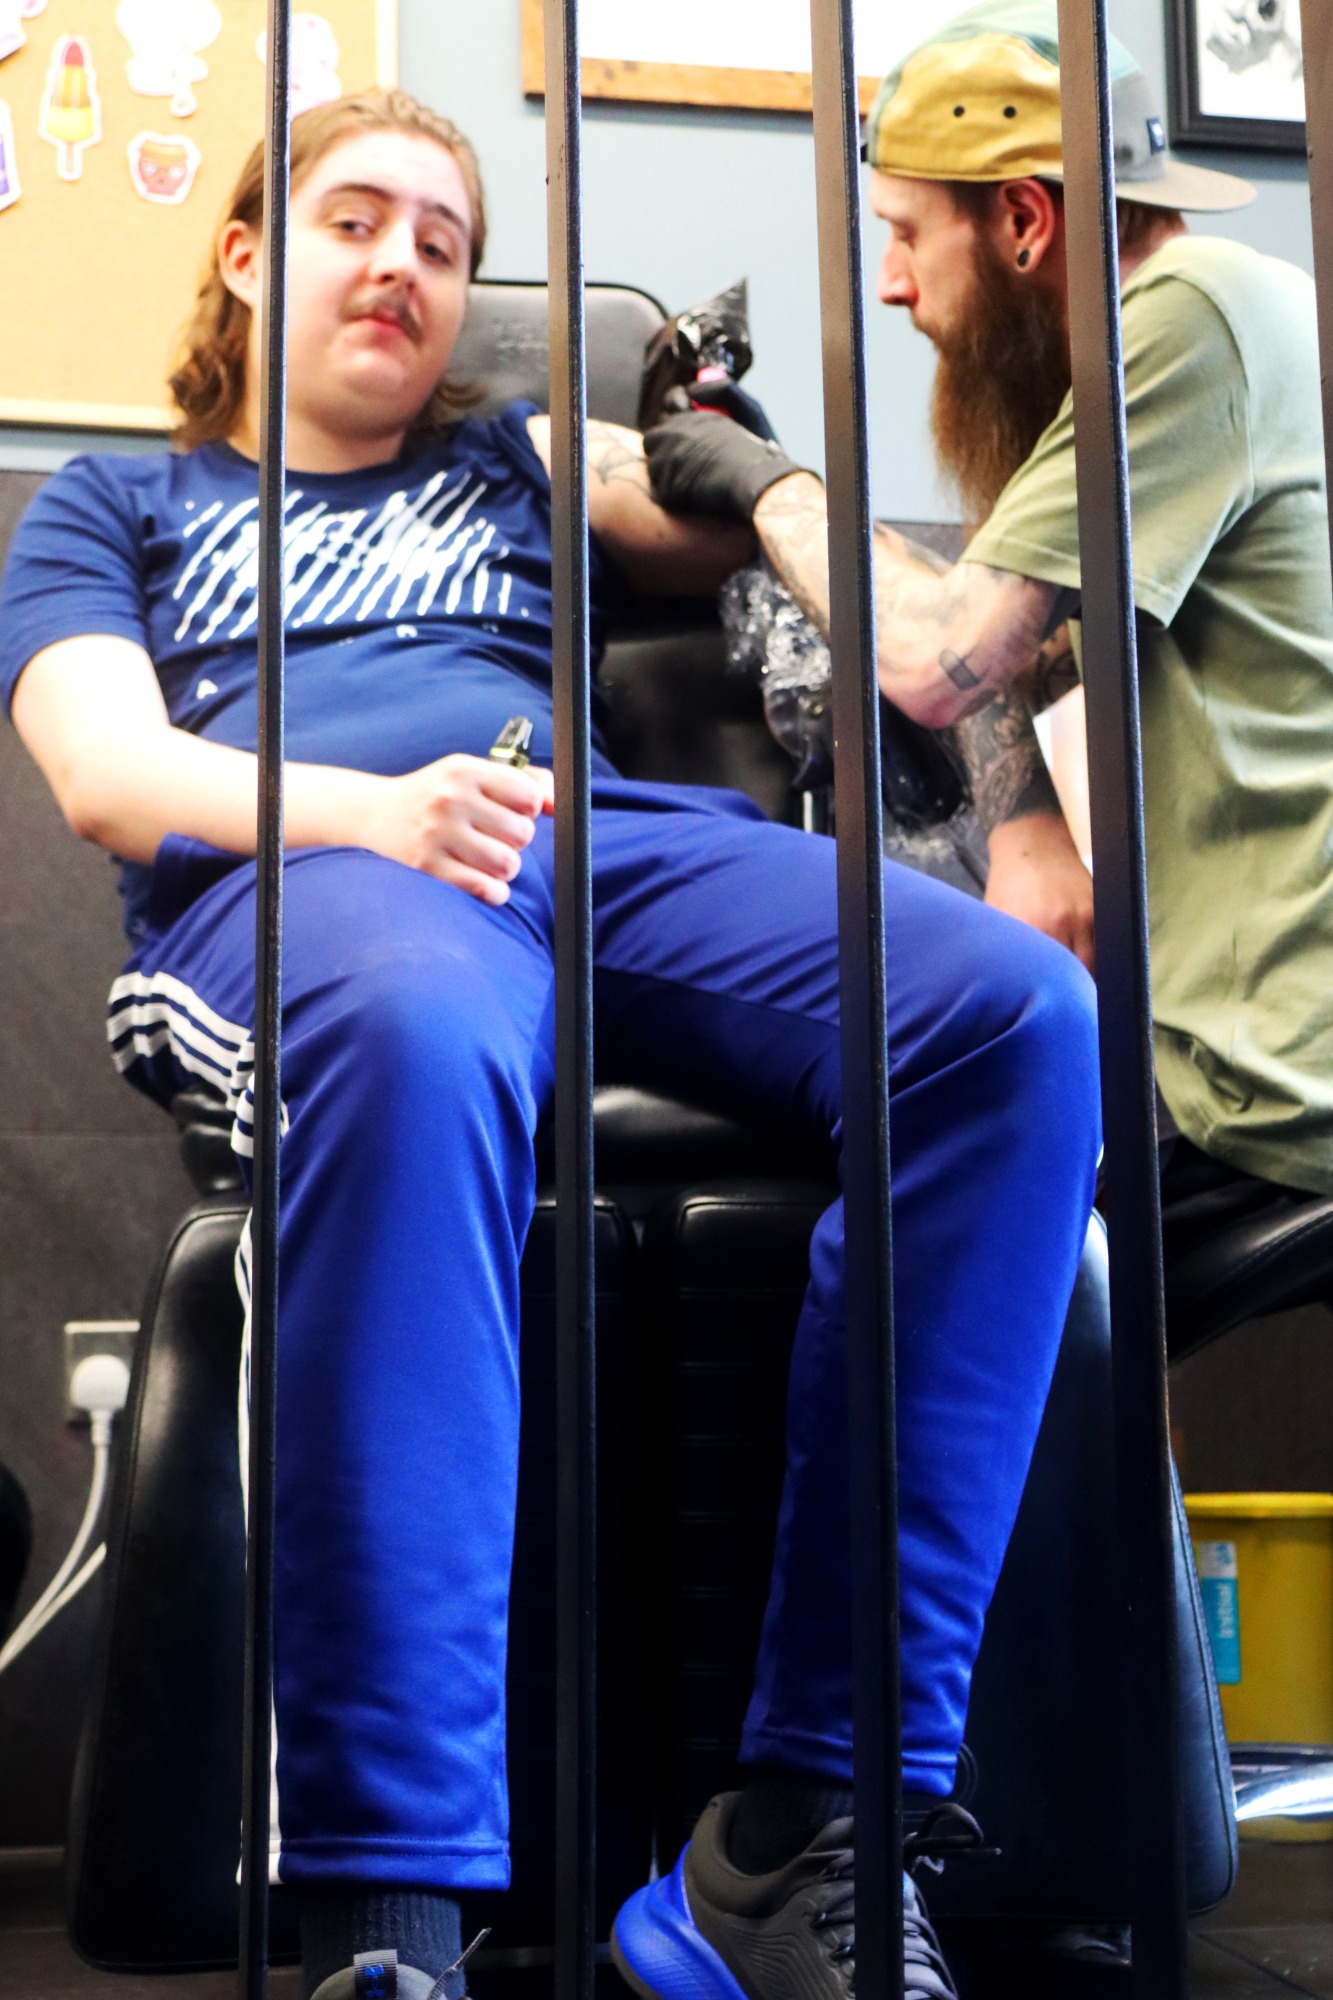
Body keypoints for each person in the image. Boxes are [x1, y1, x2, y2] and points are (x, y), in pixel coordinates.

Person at [0, 88, 1100, 2000]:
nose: (404, 264)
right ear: (247, 255)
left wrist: (750, 463)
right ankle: (390, 1922)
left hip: (585, 843)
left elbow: (799, 561)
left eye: (444, 241)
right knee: (418, 1043)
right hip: (312, 876)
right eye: (357, 219)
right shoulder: (121, 504)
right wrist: (380, 812)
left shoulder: (513, 454)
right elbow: (107, 773)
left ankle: (801, 1826)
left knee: (1011, 1020)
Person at [646, 0, 1333, 1219]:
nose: (889, 283)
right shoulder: (1204, 322)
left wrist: (769, 487)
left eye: (907, 232)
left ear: (1022, 219)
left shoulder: (1184, 314)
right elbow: (1023, 642)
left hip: (1274, 1085)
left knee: (914, 1200)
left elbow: (937, 655)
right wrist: (1027, 834)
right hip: (1227, 1044)